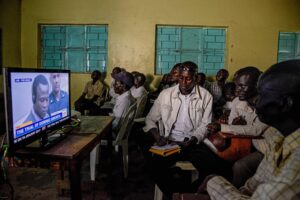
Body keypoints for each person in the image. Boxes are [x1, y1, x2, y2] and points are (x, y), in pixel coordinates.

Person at [195, 59, 300, 200]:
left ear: (286, 104)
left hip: (256, 147)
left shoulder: (295, 162)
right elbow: (253, 185)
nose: (258, 103)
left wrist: (214, 183)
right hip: (252, 145)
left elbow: (254, 130)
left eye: (262, 95)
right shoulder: (278, 142)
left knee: (239, 166)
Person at [140, 61, 232, 198]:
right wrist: (158, 137)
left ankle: (188, 193)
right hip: (169, 142)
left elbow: (205, 124)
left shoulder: (206, 96)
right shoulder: (166, 94)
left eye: (188, 78)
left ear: (195, 78)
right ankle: (177, 193)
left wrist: (193, 139)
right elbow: (150, 119)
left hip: (193, 142)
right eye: (181, 78)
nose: (183, 82)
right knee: (153, 167)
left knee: (216, 168)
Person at [207, 67, 269, 188]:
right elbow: (231, 124)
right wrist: (233, 126)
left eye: (242, 86)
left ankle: (237, 194)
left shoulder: (267, 103)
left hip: (267, 150)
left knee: (241, 166)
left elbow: (256, 130)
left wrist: (222, 127)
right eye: (236, 85)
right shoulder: (237, 101)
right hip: (248, 145)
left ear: (257, 85)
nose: (237, 90)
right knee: (219, 162)